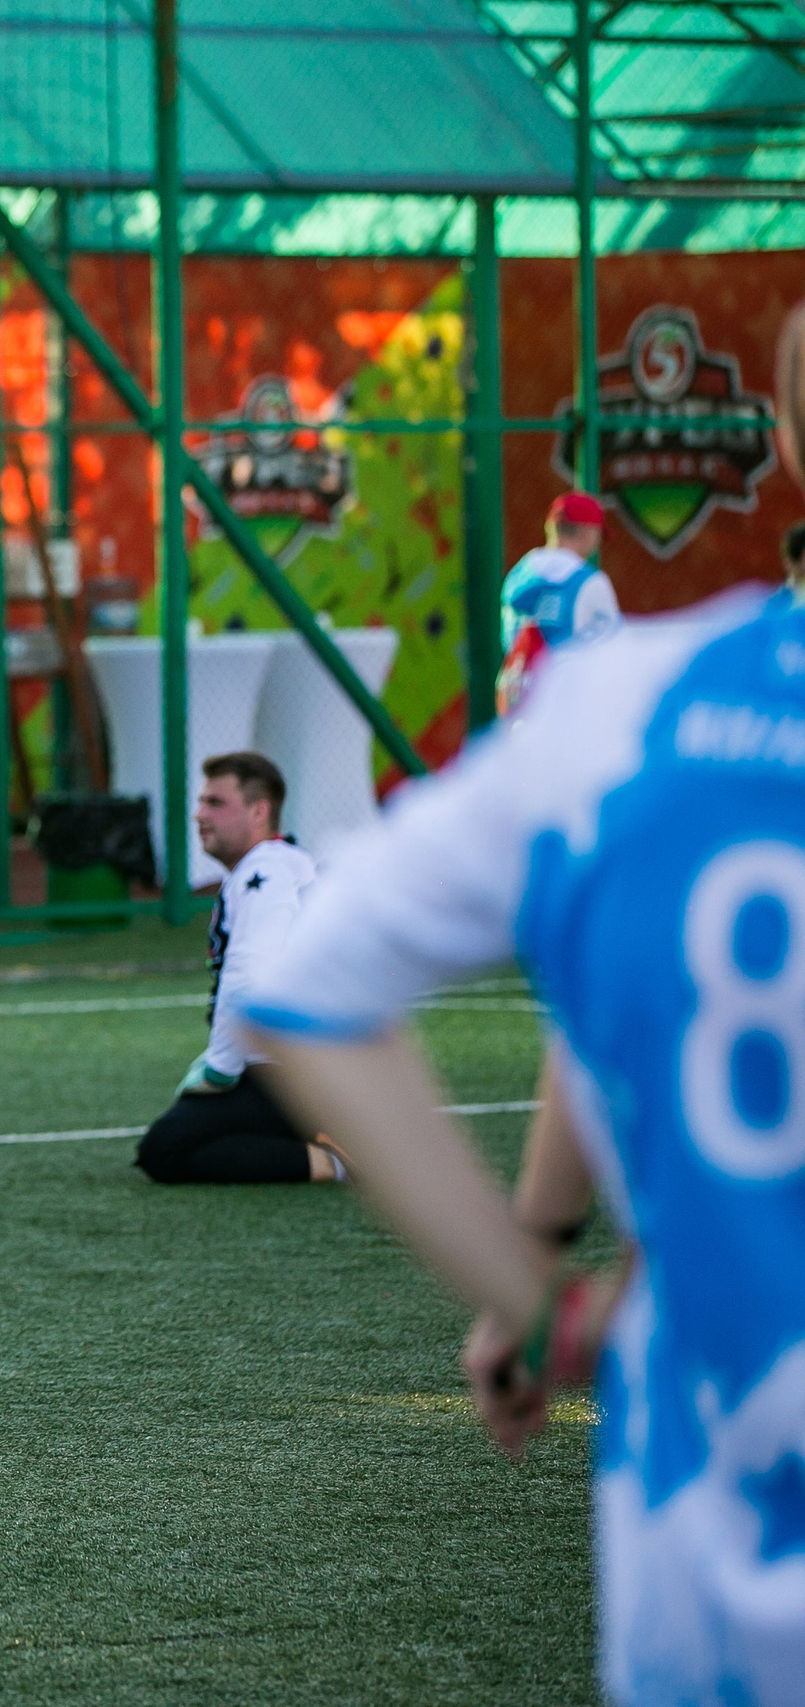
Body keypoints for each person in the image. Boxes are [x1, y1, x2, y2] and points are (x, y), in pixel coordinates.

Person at [243, 298, 805, 1706]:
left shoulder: (628, 709)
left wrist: (536, 1284)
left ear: (787, 440)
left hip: (718, 1581)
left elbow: (308, 993)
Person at [134, 752, 343, 1185]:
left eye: (215, 803)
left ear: (258, 811)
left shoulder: (265, 871)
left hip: (297, 1072)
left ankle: (336, 1160)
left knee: (166, 1149)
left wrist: (220, 1069)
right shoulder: (279, 864)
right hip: (312, 1065)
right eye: (201, 802)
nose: (199, 815)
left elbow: (248, 974)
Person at [499, 490, 622, 714]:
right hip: (569, 707)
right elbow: (612, 652)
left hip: (515, 699)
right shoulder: (590, 582)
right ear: (587, 532)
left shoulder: (518, 575)